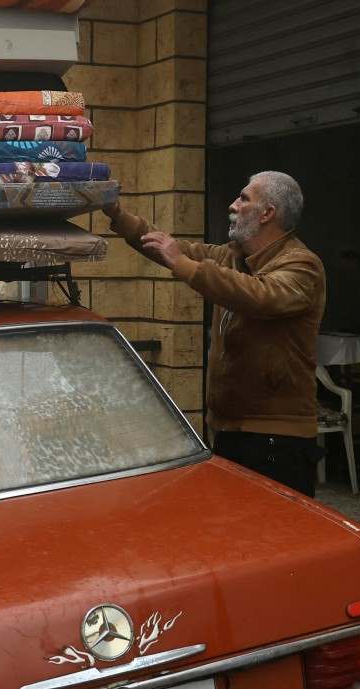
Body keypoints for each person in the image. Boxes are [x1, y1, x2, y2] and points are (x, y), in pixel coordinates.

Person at [103, 171, 326, 496]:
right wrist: (116, 214)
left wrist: (183, 263)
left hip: (277, 438)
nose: (233, 206)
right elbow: (166, 247)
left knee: (272, 525)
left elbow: (260, 295)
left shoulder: (302, 265)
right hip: (228, 429)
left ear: (267, 213)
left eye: (244, 198)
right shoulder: (232, 257)